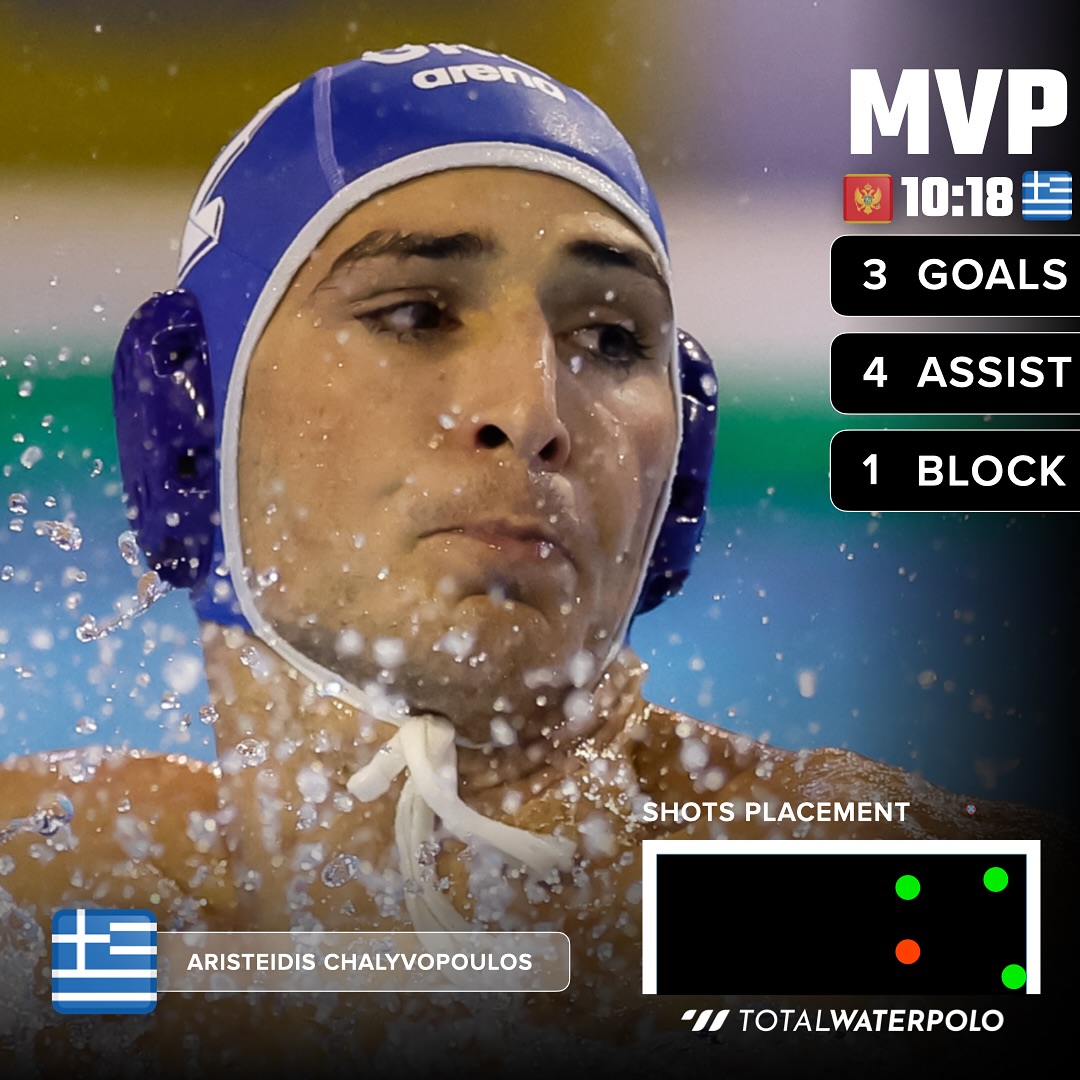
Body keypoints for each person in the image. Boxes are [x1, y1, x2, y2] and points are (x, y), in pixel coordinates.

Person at [0, 43, 1058, 1076]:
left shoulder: (825, 894)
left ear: (679, 484)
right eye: (415, 314)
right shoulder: (59, 892)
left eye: (610, 338)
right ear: (189, 431)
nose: (532, 409)